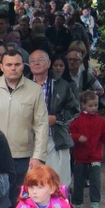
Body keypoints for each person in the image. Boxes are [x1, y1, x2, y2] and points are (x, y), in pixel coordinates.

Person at [0, 49, 49, 208]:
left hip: (22, 156)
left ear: (23, 66)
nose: (13, 68)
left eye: (17, 64)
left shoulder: (34, 89)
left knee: (16, 202)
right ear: (1, 66)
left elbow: (41, 124)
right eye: (9, 65)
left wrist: (38, 156)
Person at [69, 91, 105, 208]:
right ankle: (78, 206)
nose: (94, 108)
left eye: (96, 105)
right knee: (78, 182)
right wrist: (77, 137)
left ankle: (95, 206)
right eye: (91, 105)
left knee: (95, 182)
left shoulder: (101, 121)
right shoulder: (77, 121)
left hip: (95, 157)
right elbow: (70, 134)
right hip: (80, 157)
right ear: (83, 105)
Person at [28, 50, 80, 185]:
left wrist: (56, 118)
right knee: (32, 183)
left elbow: (74, 109)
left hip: (55, 139)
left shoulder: (62, 85)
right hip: (29, 140)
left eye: (40, 59)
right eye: (33, 61)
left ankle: (59, 207)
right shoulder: (23, 85)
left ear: (48, 63)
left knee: (58, 182)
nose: (37, 63)